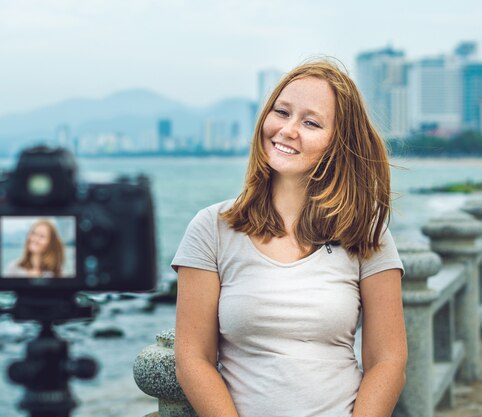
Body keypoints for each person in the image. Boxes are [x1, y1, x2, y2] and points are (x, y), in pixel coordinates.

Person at [172, 60, 407, 417]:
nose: (288, 130)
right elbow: (193, 358)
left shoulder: (366, 230)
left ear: (337, 144)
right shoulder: (211, 229)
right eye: (281, 112)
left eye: (311, 123)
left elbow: (387, 361)